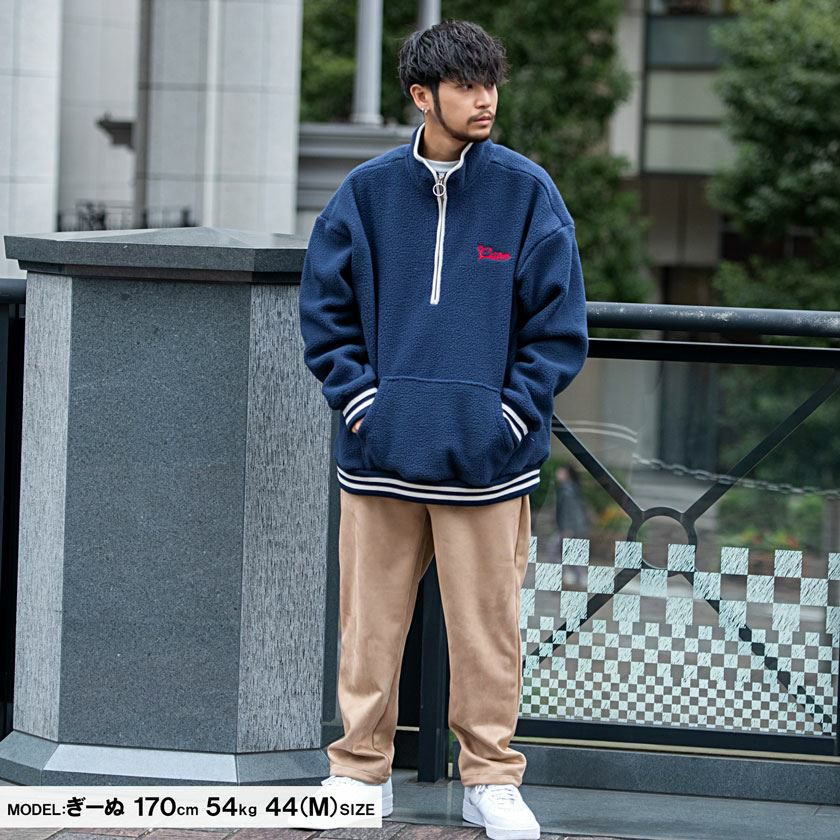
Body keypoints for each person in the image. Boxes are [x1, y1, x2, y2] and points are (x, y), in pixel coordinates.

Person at [298, 19, 588, 840]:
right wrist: (363, 404)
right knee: (368, 631)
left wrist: (509, 415)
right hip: (381, 457)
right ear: (421, 96)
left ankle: (489, 780)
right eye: (466, 86)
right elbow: (323, 312)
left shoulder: (528, 193)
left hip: (487, 463)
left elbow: (558, 328)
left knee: (488, 634)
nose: (485, 99)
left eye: (490, 83)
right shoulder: (365, 194)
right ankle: (358, 774)